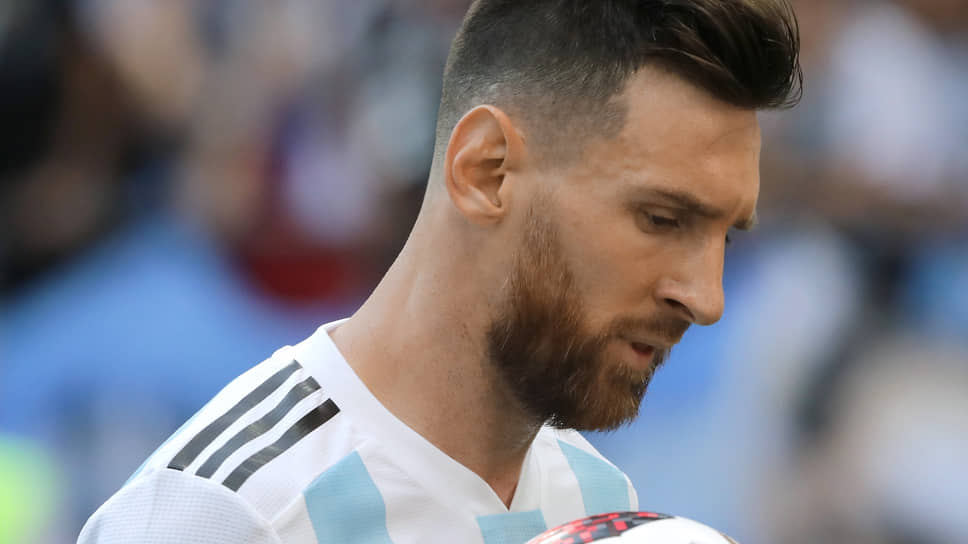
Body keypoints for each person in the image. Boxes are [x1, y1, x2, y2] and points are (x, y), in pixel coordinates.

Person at [78, 1, 801, 542]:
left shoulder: (597, 502)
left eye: (726, 237)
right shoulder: (223, 515)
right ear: (485, 170)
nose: (706, 297)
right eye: (663, 219)